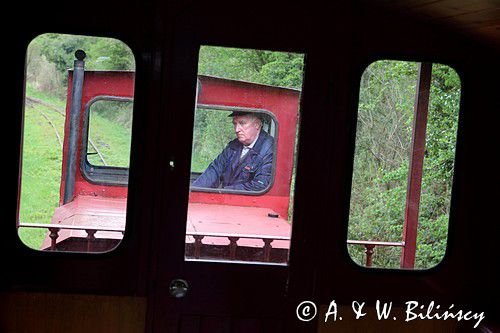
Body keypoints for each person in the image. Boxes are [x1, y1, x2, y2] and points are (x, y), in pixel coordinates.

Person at [192, 111, 274, 191]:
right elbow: (214, 171)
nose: (237, 129)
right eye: (235, 124)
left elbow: (259, 186)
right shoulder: (233, 145)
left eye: (242, 123)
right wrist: (194, 190)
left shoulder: (269, 150)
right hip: (227, 197)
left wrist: (222, 191)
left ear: (257, 124)